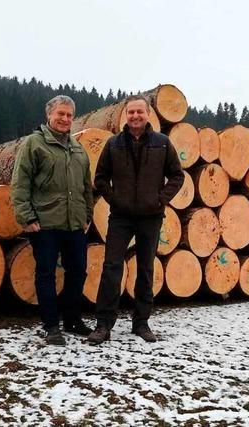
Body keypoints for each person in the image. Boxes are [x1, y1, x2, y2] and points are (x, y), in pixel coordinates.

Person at [88, 94, 184, 344]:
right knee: (111, 267)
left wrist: (161, 199)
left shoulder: (162, 143)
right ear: (125, 115)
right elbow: (100, 178)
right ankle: (103, 324)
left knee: (145, 268)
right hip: (120, 217)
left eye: (140, 111)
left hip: (151, 217)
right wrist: (115, 199)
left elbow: (177, 176)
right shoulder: (113, 144)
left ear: (148, 114)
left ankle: (141, 323)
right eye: (131, 112)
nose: (135, 116)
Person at [11, 95, 93, 346]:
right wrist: (26, 216)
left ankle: (72, 319)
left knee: (77, 271)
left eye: (69, 115)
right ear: (49, 115)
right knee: (45, 273)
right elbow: (20, 183)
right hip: (44, 223)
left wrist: (88, 213)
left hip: (74, 224)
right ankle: (50, 326)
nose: (65, 119)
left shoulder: (78, 148)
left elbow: (85, 186)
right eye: (60, 114)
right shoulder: (34, 144)